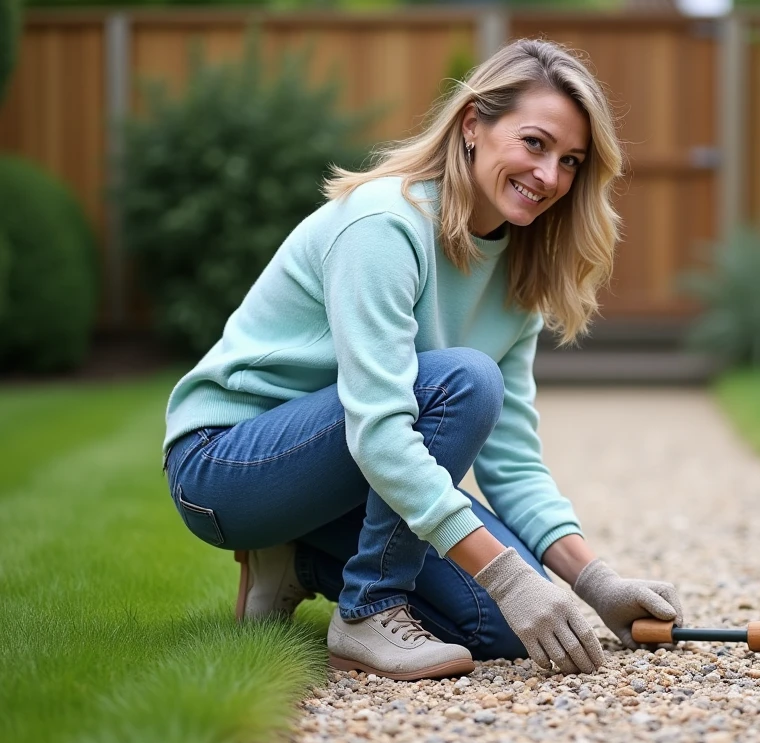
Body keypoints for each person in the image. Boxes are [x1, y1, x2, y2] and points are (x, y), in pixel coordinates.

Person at [161, 39, 686, 682]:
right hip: (229, 466)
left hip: (345, 470)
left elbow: (512, 460)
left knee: (506, 629)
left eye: (571, 160)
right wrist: (511, 575)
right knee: (464, 382)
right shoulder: (386, 225)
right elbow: (382, 429)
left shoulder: (520, 270)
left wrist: (594, 583)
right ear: (473, 126)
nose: (550, 176)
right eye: (535, 143)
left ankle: (298, 561)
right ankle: (368, 610)